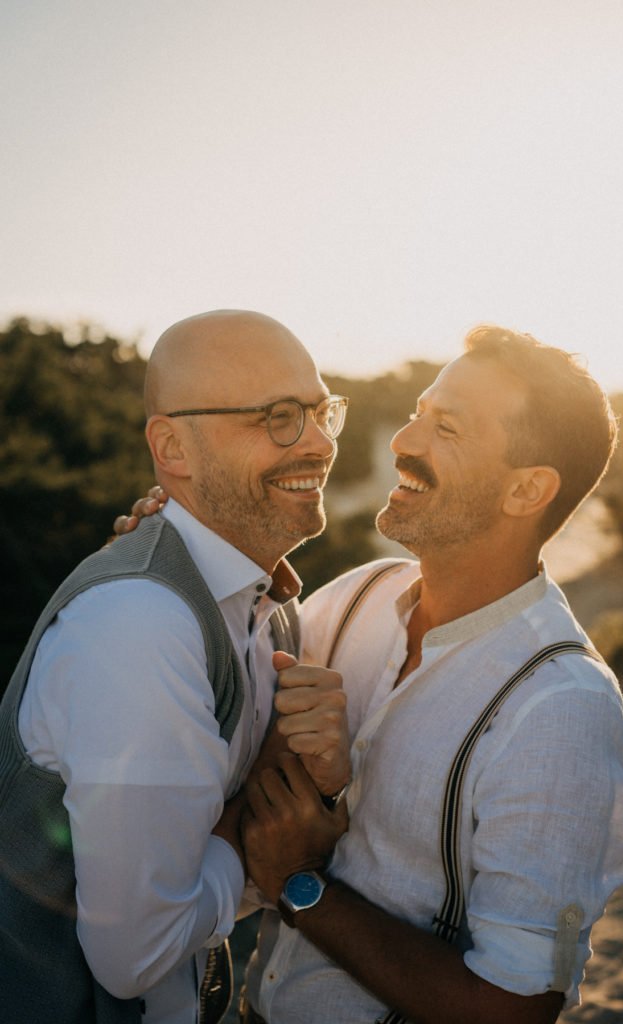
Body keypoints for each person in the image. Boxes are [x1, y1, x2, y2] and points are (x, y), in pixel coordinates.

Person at [234, 326, 623, 1024]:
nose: (402, 440)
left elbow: (511, 1009)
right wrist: (169, 565)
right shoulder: (360, 594)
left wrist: (301, 886)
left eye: (445, 428)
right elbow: (228, 698)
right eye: (418, 411)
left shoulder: (560, 710)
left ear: (526, 490)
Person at [0, 310, 351, 1024]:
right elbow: (138, 957)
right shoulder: (140, 626)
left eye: (320, 411)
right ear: (172, 447)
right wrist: (266, 816)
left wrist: (317, 792)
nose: (317, 442)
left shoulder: (266, 605)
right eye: (276, 417)